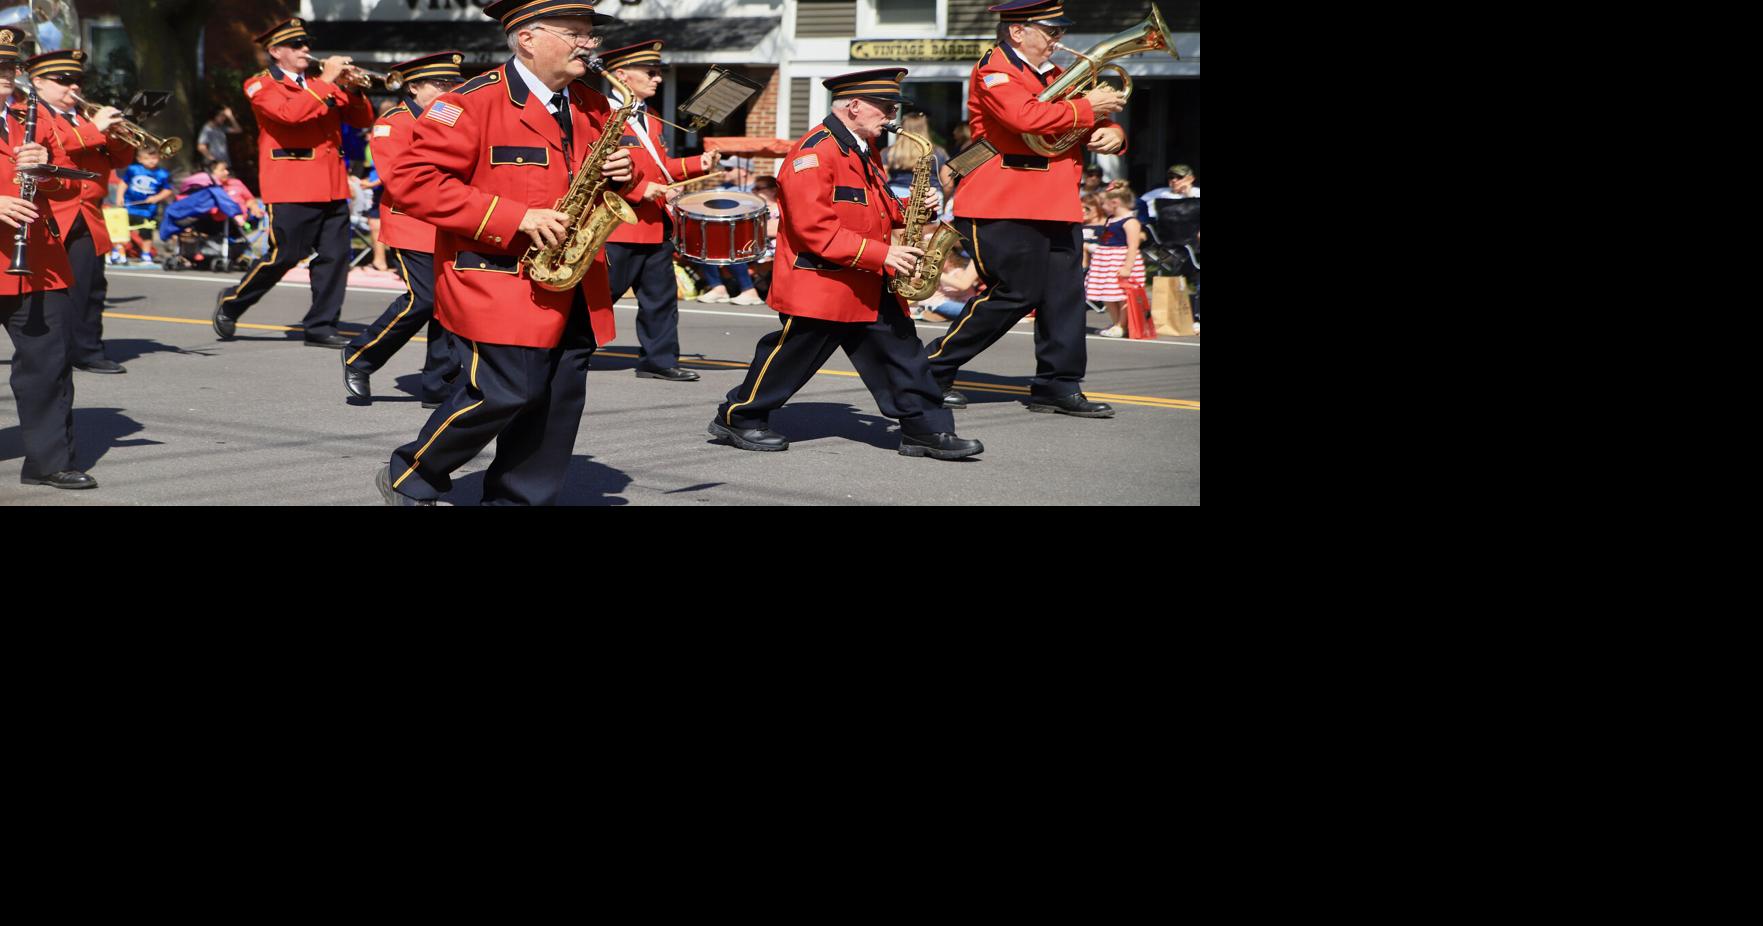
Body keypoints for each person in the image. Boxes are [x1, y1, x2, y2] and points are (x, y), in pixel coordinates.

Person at [377, 0, 638, 506]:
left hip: (573, 277)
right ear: (528, 38)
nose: (590, 44)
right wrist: (516, 217)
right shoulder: (468, 103)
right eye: (577, 33)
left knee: (556, 404)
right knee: (505, 393)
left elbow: (618, 178)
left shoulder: (594, 103)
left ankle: (520, 498)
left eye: (591, 35)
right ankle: (416, 470)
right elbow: (412, 182)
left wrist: (629, 173)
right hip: (497, 278)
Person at [710, 68, 981, 461]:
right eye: (885, 107)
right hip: (824, 280)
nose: (892, 116)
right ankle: (739, 416)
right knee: (791, 357)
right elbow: (814, 229)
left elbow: (873, 208)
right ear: (854, 106)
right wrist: (884, 253)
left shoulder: (862, 148)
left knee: (904, 353)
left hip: (868, 275)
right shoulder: (813, 153)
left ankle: (927, 430)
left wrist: (911, 209)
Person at [923, 0, 1126, 418]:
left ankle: (1058, 384)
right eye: (1051, 31)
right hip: (1004, 199)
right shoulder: (994, 67)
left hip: (1056, 200)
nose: (1059, 40)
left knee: (1063, 298)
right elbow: (1026, 117)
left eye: (1059, 31)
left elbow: (1079, 119)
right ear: (1018, 31)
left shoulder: (1052, 75)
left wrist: (1112, 132)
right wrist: (1091, 108)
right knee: (1017, 293)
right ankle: (928, 368)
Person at [211, 17, 375, 349]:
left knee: (335, 256)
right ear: (275, 52)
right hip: (291, 185)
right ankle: (233, 302)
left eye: (306, 44)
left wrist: (354, 89)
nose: (305, 50)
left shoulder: (320, 83)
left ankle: (321, 324)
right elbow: (290, 115)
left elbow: (361, 119)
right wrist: (327, 80)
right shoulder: (260, 85)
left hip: (332, 184)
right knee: (285, 255)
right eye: (296, 45)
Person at [340, 51, 466, 409]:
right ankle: (359, 356)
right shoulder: (392, 124)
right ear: (413, 87)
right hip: (413, 222)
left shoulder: (452, 117)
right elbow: (400, 180)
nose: (449, 90)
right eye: (440, 84)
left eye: (452, 83)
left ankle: (439, 384)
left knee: (451, 304)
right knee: (423, 299)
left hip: (451, 222)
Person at [1, 28, 94, 490]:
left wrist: (45, 168)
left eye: (10, 66)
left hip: (37, 257)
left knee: (48, 364)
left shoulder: (34, 115)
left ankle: (49, 461)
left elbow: (72, 184)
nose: (6, 74)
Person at [599, 39, 716, 383]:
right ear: (621, 75)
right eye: (649, 72)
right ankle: (558, 349)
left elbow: (660, 168)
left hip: (653, 225)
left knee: (661, 301)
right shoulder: (599, 113)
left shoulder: (649, 118)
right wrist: (637, 190)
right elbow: (589, 169)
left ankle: (659, 359)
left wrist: (698, 164)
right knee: (597, 297)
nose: (658, 79)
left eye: (658, 72)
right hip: (617, 226)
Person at [27, 48, 135, 375]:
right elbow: (54, 147)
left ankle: (87, 351)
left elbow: (122, 160)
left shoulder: (88, 117)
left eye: (77, 80)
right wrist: (96, 129)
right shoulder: (30, 113)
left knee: (89, 287)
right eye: (64, 80)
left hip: (88, 211)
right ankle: (48, 349)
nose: (73, 87)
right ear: (38, 82)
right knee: (40, 290)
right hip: (50, 212)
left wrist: (118, 136)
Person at [691, 163, 763, 304]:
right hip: (726, 232)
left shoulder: (758, 189)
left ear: (743, 171)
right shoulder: (723, 188)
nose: (725, 171)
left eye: (730, 169)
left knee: (727, 245)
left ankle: (749, 290)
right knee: (702, 244)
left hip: (749, 234)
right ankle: (718, 288)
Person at [1088, 184, 1144, 338]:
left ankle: (1122, 324)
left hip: (1120, 260)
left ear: (1115, 202)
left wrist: (1127, 267)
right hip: (1106, 261)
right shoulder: (1111, 219)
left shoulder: (1130, 221)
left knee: (1122, 296)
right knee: (1108, 295)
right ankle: (1116, 323)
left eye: (1103, 203)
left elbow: (1133, 246)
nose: (1102, 207)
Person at [117, 146, 172, 259]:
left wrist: (157, 197)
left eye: (154, 158)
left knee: (146, 232)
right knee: (121, 230)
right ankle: (119, 252)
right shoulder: (133, 169)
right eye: (147, 158)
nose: (151, 161)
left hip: (147, 210)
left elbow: (167, 190)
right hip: (129, 206)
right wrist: (119, 197)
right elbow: (124, 183)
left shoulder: (162, 173)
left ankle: (146, 254)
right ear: (140, 159)